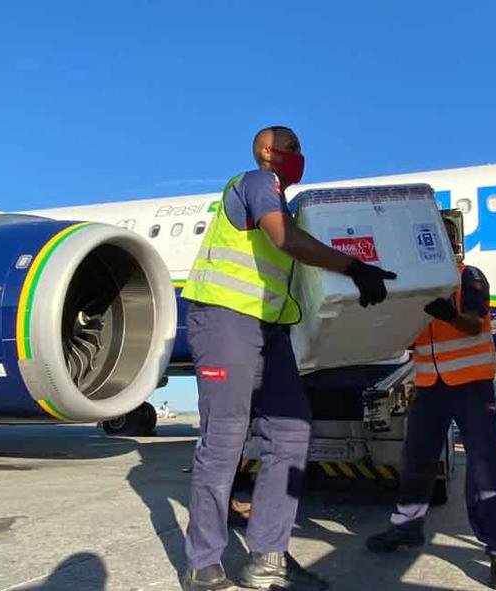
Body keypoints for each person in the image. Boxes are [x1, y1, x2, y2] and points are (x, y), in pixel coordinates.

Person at [180, 125, 397, 591]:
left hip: (268, 330)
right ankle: (203, 561)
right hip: (225, 320)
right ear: (267, 151)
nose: (301, 155)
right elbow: (283, 239)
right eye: (293, 147)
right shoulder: (259, 183)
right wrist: (354, 267)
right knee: (224, 440)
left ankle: (268, 557)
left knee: (292, 430)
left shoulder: (290, 207)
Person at [366, 216, 496, 591]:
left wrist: (449, 314)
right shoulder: (414, 284)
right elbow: (409, 338)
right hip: (430, 384)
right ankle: (406, 527)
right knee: (416, 459)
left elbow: (473, 323)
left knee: (484, 467)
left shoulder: (468, 276)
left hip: (470, 385)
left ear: (450, 243)